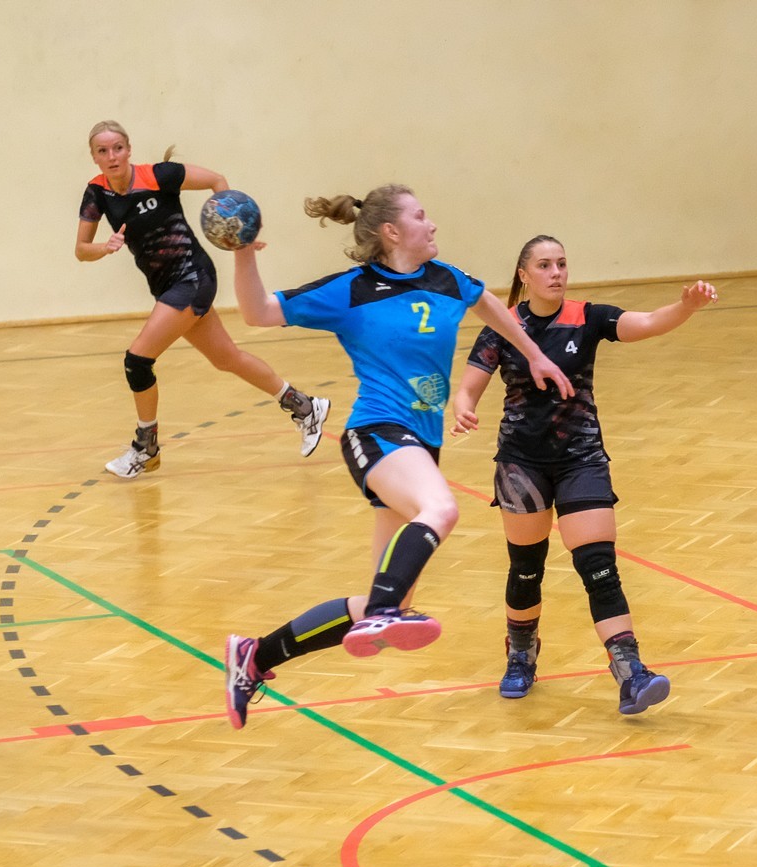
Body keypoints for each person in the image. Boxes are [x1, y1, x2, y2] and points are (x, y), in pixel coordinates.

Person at [221, 186, 571, 729]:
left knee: (386, 599)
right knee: (441, 510)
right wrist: (244, 254)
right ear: (391, 232)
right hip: (376, 433)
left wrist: (535, 355)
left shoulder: (448, 279)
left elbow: (488, 304)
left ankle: (254, 655)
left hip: (421, 445)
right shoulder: (351, 291)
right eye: (420, 216)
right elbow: (257, 312)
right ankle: (384, 612)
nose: (432, 224)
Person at [453, 235, 718, 715]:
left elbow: (648, 323)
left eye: (561, 263)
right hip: (521, 463)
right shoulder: (502, 326)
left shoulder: (589, 317)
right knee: (526, 568)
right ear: (523, 275)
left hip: (581, 458)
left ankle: (631, 673)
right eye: (544, 265)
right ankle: (521, 655)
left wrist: (686, 307)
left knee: (599, 567)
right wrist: (463, 407)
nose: (556, 272)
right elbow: (469, 387)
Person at [75, 121, 327, 478]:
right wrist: (106, 246)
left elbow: (216, 180)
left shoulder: (160, 175)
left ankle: (146, 448)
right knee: (227, 358)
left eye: (118, 148)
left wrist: (236, 228)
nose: (112, 156)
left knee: (137, 361)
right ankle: (305, 406)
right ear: (94, 157)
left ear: (128, 149)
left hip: (192, 277)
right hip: (166, 286)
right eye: (103, 151)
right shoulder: (97, 193)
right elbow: (81, 250)